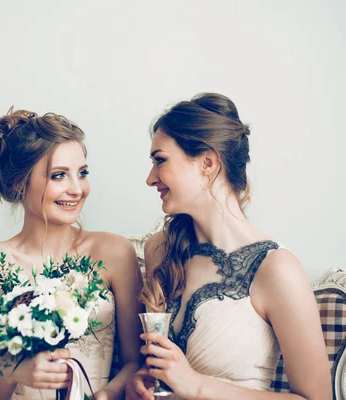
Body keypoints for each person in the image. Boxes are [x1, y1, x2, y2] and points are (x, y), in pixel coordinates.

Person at [125, 93, 331, 400]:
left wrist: (196, 385)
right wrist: (140, 381)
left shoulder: (275, 268)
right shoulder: (161, 250)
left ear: (207, 163)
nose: (150, 178)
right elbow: (156, 371)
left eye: (160, 160)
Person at [0, 108, 143, 399]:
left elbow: (135, 362)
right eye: (59, 176)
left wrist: (106, 395)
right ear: (18, 183)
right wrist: (17, 371)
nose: (77, 189)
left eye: (82, 173)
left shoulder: (114, 253)